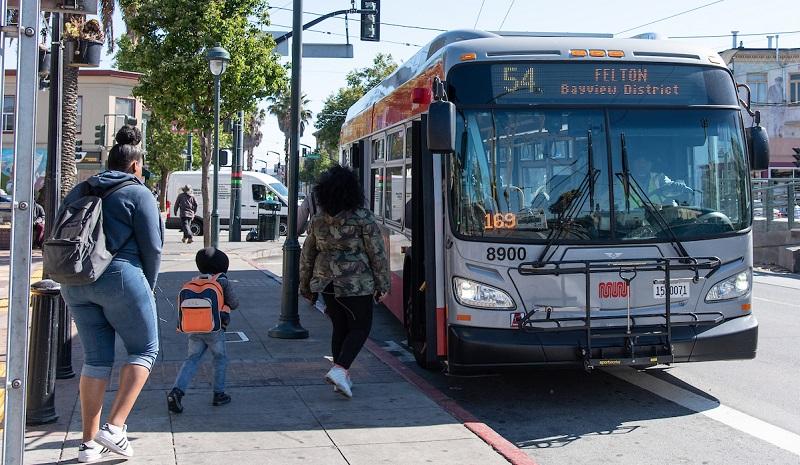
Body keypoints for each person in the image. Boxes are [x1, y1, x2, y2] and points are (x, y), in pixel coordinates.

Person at [59, 128, 163, 462]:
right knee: (144, 349)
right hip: (120, 276)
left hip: (75, 279)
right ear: (135, 165)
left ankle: (88, 445)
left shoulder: (80, 189)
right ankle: (115, 427)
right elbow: (153, 247)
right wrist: (148, 285)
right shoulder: (138, 193)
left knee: (95, 359)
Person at [299, 166, 390, 398]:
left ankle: (342, 378)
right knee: (360, 327)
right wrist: (383, 285)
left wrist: (305, 286)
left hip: (326, 283)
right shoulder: (363, 218)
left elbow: (307, 255)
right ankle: (340, 370)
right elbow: (377, 253)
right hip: (356, 284)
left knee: (339, 328)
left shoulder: (318, 220)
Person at [167, 247, 239, 414]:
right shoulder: (222, 281)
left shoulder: (195, 280)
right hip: (215, 329)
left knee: (191, 359)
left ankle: (176, 392)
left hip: (194, 328)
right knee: (220, 359)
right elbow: (234, 303)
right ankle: (219, 394)